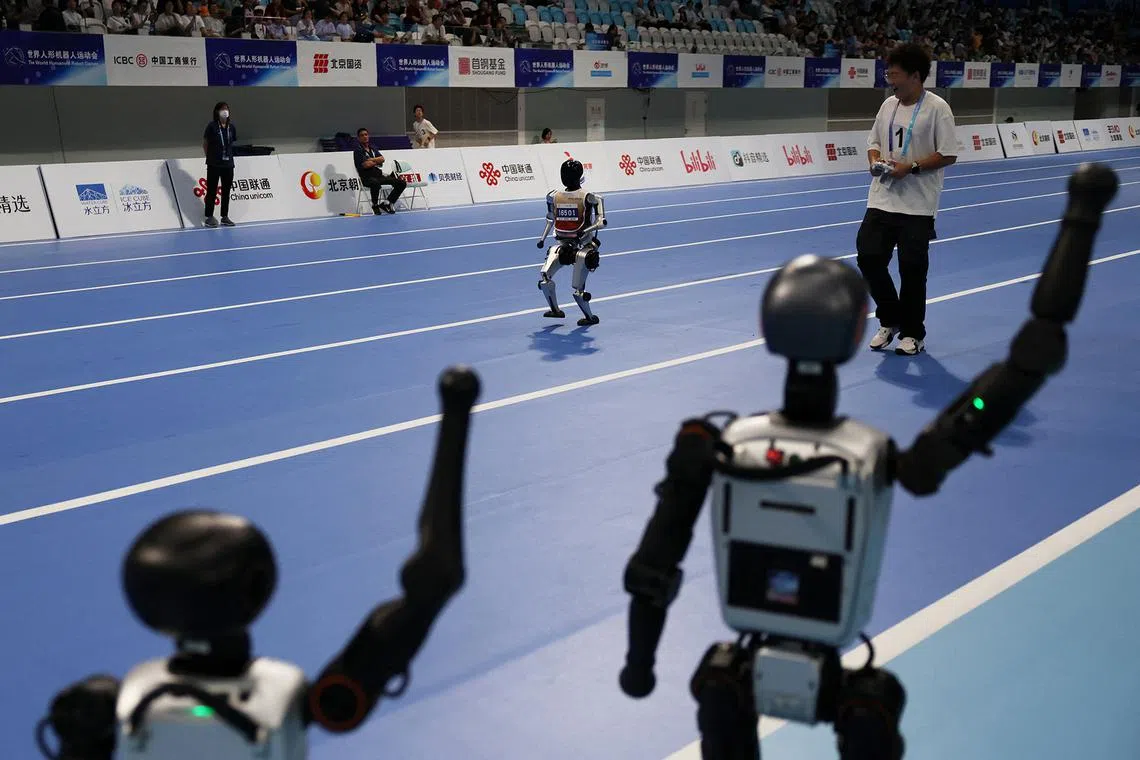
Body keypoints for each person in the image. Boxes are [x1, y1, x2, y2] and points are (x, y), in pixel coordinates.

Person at [857, 42, 957, 356]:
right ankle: (890, 318)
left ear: (915, 76)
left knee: (912, 270)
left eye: (895, 74)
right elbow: (873, 140)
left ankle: (913, 333)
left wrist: (910, 167)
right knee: (868, 258)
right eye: (888, 74)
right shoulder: (888, 105)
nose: (890, 80)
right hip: (882, 199)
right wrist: (875, 160)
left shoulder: (938, 108)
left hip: (918, 205)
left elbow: (948, 154)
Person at [535, 158, 607, 326]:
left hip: (583, 245)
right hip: (564, 244)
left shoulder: (590, 197)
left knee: (578, 289)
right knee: (545, 276)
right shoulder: (554, 197)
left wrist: (586, 231)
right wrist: (542, 238)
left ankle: (589, 317)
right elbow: (550, 219)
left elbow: (601, 222)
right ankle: (555, 310)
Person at [353, 127, 406, 214]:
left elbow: (382, 159)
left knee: (401, 183)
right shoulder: (358, 150)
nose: (365, 137)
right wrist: (376, 161)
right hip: (366, 178)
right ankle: (375, 205)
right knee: (375, 183)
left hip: (379, 175)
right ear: (358, 138)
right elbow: (366, 165)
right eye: (362, 135)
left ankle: (387, 203)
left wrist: (371, 160)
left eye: (366, 134)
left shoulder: (372, 148)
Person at [202, 101, 237, 228]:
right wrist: (210, 158)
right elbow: (205, 144)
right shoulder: (211, 127)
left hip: (228, 165)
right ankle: (209, 217)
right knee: (211, 190)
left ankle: (224, 216)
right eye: (222, 109)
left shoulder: (231, 127)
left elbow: (231, 143)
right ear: (217, 111)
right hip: (214, 164)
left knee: (226, 191)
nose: (225, 111)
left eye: (227, 109)